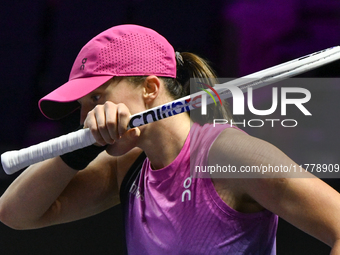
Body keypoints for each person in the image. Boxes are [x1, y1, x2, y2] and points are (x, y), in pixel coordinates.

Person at [0, 24, 340, 255]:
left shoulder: (231, 154)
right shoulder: (127, 167)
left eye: (97, 98)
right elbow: (15, 213)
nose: (87, 117)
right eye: (82, 107)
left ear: (150, 88)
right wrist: (81, 149)